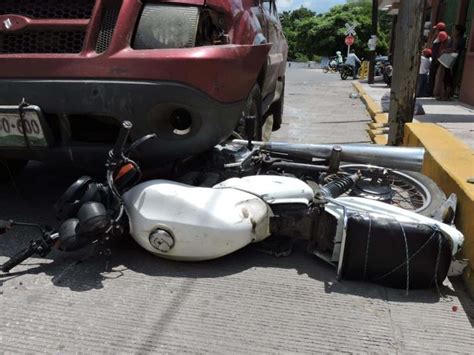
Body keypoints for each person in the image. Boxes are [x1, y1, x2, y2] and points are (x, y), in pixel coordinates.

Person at [428, 22, 447, 96]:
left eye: (436, 29)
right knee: (432, 75)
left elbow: (434, 45)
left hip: (436, 58)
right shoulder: (439, 35)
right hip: (436, 58)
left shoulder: (441, 35)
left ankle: (430, 92)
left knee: (432, 75)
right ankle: (431, 91)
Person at [433, 31, 452, 100]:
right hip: (442, 61)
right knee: (442, 78)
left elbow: (452, 49)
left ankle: (445, 95)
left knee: (446, 78)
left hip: (446, 62)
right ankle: (441, 95)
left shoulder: (449, 41)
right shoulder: (443, 40)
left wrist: (443, 52)